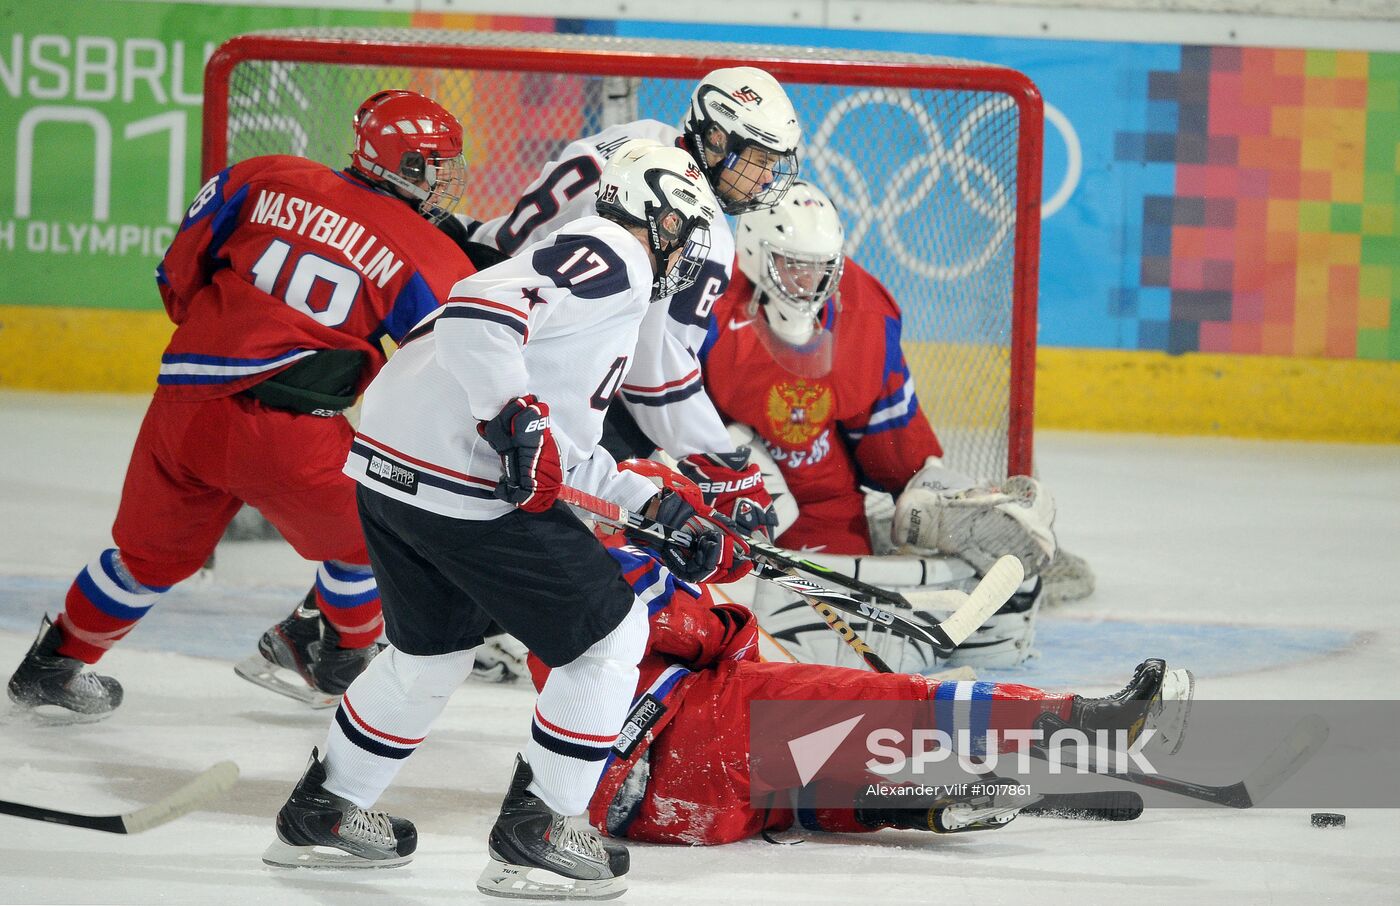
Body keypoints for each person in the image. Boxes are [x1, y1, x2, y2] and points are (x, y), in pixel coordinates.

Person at [261, 141, 753, 901]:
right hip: (461, 486)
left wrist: (651, 504)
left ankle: (324, 810)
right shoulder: (613, 250)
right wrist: (510, 415)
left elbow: (560, 446)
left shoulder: (600, 287)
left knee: (431, 653)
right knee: (610, 636)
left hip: (396, 473)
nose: (689, 256)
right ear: (655, 219)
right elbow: (476, 317)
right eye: (686, 234)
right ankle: (544, 832)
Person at [5, 90, 486, 720]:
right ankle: (336, 653)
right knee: (378, 533)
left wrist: (220, 339)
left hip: (182, 404)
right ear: (402, 164)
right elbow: (446, 369)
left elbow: (178, 274)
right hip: (288, 435)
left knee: (147, 559)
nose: (444, 180)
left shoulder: (261, 176)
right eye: (434, 164)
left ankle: (53, 663)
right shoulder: (427, 252)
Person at [534, 532, 1194, 846]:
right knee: (907, 704)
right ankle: (1092, 720)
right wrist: (729, 615)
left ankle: (918, 807)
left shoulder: (540, 606)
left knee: (795, 792)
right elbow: (708, 636)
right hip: (698, 729)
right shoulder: (610, 569)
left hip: (666, 814)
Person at [698, 180, 1058, 671]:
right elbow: (662, 414)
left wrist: (925, 494)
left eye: (821, 266)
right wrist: (725, 462)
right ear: (754, 254)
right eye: (793, 264)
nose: (809, 281)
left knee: (837, 634)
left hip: (824, 501)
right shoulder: (705, 305)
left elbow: (889, 436)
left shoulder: (865, 312)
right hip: (719, 488)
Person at [466, 66, 802, 540]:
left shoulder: (634, 137)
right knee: (613, 516)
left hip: (486, 302)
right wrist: (715, 457)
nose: (767, 177)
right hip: (535, 371)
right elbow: (654, 372)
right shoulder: (699, 227)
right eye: (759, 158)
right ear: (716, 139)